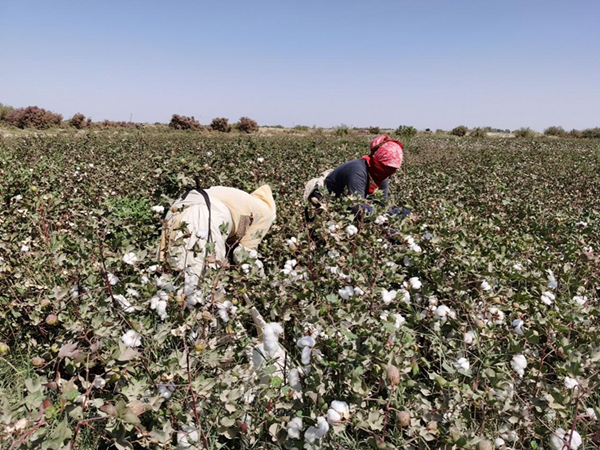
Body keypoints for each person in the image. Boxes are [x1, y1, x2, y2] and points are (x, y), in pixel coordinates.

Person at [159, 183, 276, 284]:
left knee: (172, 276)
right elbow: (244, 256)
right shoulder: (266, 213)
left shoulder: (245, 200)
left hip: (176, 209)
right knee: (200, 286)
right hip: (203, 216)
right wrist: (262, 280)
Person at [304, 135, 404, 209]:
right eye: (388, 167)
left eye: (393, 168)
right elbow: (356, 207)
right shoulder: (357, 172)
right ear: (376, 161)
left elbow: (382, 204)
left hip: (345, 202)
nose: (392, 172)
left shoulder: (381, 175)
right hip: (325, 199)